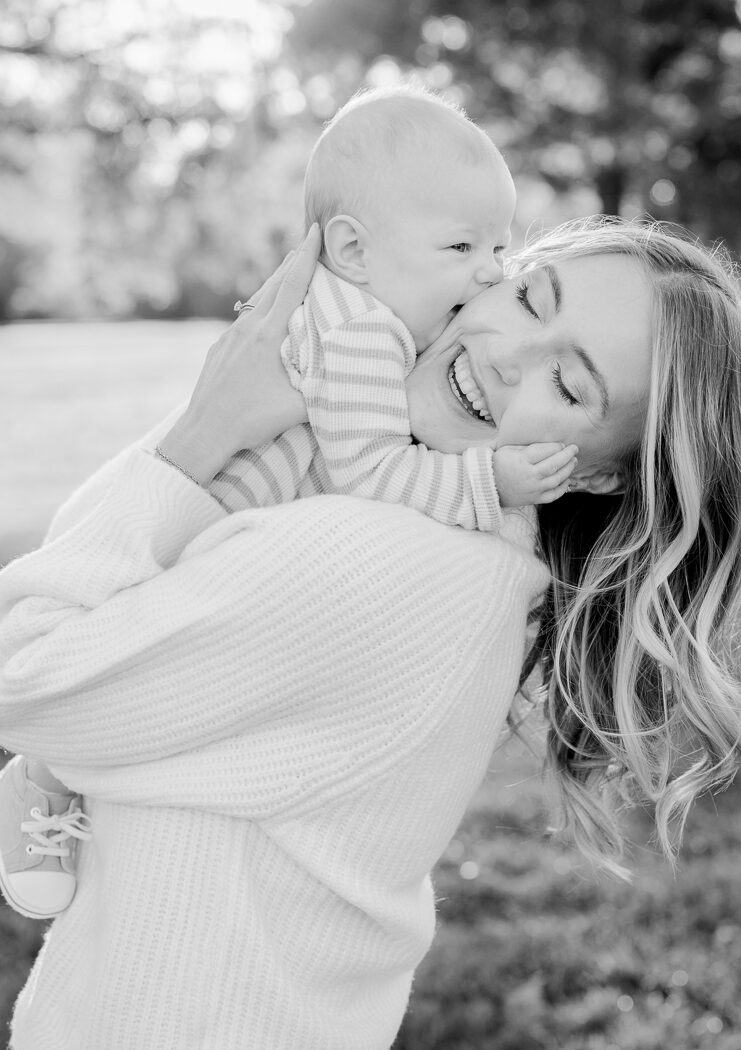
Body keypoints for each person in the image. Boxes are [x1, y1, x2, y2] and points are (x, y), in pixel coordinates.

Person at [0, 215, 741, 1050]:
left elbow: (26, 674)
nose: (507, 353)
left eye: (568, 380)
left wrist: (198, 436)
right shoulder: (463, 539)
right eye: (527, 296)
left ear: (596, 473)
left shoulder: (380, 560)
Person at [0, 85, 579, 921]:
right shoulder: (362, 336)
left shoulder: (369, 313)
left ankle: (63, 770)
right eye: (461, 245)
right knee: (125, 657)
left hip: (217, 522)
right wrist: (490, 483)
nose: (491, 269)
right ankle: (47, 775)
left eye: (499, 244)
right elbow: (374, 471)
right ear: (351, 247)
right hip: (211, 529)